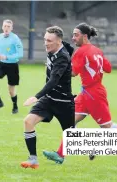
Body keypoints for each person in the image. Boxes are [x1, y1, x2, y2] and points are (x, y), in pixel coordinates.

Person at [43, 23, 117, 164]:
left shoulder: (81, 52)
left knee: (108, 127)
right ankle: (60, 155)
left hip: (93, 94)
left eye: (76, 35)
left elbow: (73, 73)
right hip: (87, 92)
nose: (73, 38)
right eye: (73, 35)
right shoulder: (97, 50)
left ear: (85, 36)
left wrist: (56, 66)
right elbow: (109, 68)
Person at [20, 26, 75, 169]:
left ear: (58, 42)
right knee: (28, 121)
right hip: (49, 99)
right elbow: (70, 47)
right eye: (45, 39)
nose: (45, 43)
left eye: (49, 40)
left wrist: (36, 96)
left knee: (73, 138)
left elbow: (53, 80)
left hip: (63, 103)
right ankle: (33, 159)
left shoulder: (62, 57)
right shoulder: (56, 49)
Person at [0, 19, 23, 114]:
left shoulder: (15, 38)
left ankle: (15, 107)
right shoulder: (0, 36)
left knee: (11, 91)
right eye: (5, 26)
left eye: (8, 27)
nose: (6, 28)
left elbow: (20, 54)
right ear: (2, 27)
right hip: (2, 65)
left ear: (12, 28)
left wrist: (7, 57)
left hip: (13, 66)